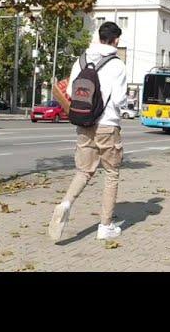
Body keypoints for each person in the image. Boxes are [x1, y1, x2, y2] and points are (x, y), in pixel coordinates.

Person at [48, 21, 128, 242]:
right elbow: (120, 99)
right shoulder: (117, 65)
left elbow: (73, 90)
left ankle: (65, 203)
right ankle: (105, 226)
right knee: (111, 174)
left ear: (99, 37)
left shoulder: (81, 60)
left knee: (83, 171)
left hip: (83, 124)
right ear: (116, 40)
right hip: (108, 125)